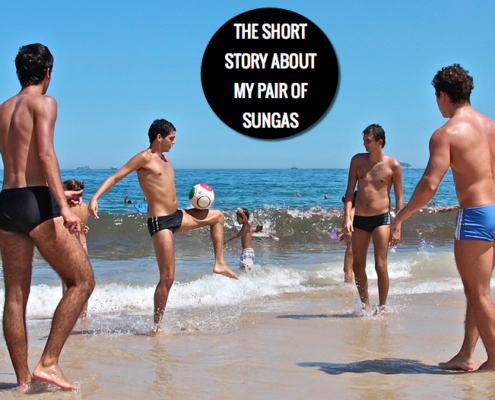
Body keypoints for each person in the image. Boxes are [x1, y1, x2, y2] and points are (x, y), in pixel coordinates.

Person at [0, 43, 95, 391]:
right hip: (37, 203)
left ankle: (24, 380)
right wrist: (64, 206)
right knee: (82, 281)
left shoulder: (2, 109)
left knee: (14, 294)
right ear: (48, 73)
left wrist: (59, 194)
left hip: (8, 200)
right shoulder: (45, 102)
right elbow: (44, 154)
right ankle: (49, 362)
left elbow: (21, 164)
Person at [89, 119, 238, 333]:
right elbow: (115, 177)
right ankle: (157, 326)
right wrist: (95, 198)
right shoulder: (143, 158)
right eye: (171, 138)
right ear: (159, 137)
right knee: (168, 277)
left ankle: (219, 262)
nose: (174, 143)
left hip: (177, 215)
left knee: (218, 216)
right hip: (160, 222)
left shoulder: (166, 159)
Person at [392, 64, 495, 371]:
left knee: (477, 293)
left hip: (476, 215)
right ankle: (466, 354)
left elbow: (429, 184)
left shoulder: (446, 133)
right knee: (479, 292)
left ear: (444, 95)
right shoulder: (490, 126)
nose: (436, 102)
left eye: (436, 96)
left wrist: (403, 214)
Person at [344, 124, 403, 312]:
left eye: (368, 141)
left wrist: (398, 226)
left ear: (379, 142)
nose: (364, 145)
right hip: (360, 219)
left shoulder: (393, 165)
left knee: (380, 264)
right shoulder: (357, 161)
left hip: (382, 219)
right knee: (357, 266)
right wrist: (347, 218)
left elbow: (400, 198)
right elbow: (349, 193)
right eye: (363, 140)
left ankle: (383, 305)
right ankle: (365, 304)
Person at [62, 179, 90, 320]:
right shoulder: (85, 207)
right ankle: (84, 315)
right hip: (83, 245)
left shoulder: (64, 210)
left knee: (68, 285)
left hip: (68, 245)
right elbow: (81, 226)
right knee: (84, 283)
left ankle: (67, 316)